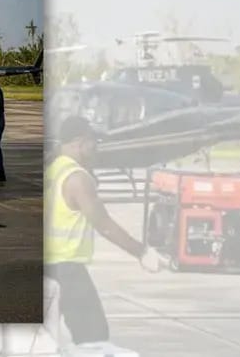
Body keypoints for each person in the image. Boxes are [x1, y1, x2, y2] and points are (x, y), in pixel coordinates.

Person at [45, 116, 167, 345]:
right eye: (93, 141)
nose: (96, 147)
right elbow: (103, 224)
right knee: (94, 338)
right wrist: (141, 252)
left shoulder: (53, 168)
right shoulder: (76, 178)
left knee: (42, 338)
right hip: (67, 269)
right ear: (80, 142)